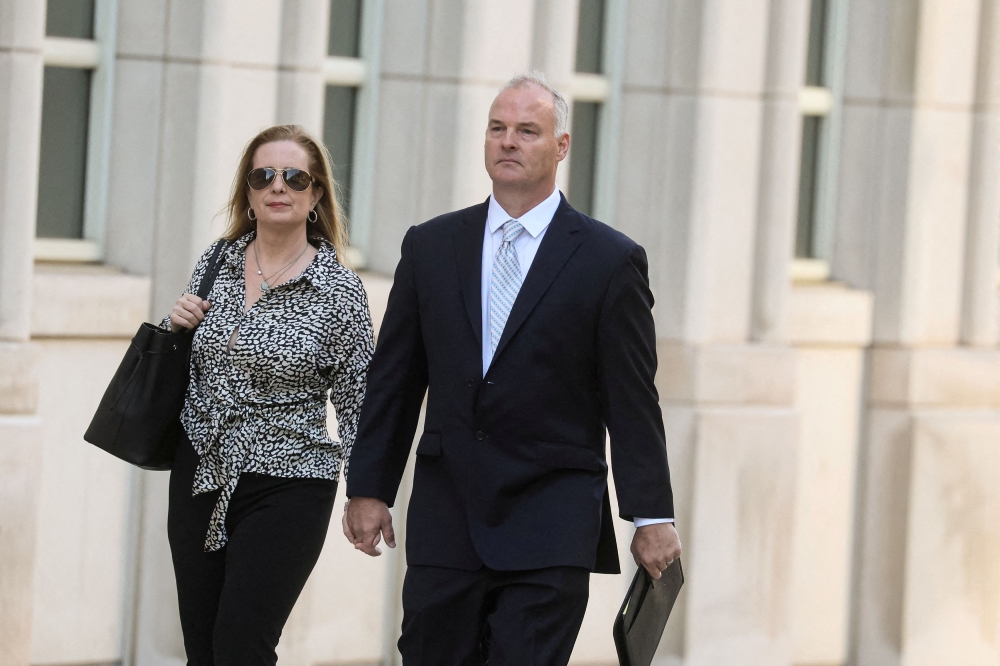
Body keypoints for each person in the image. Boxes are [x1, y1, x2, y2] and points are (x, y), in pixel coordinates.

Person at [343, 71, 682, 665]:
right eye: (497, 128)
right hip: (448, 515)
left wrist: (650, 515)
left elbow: (632, 398)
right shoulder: (431, 246)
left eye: (527, 130)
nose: (508, 141)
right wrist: (370, 487)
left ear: (561, 145)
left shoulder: (608, 260)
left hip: (551, 517)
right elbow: (395, 379)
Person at [164, 125, 374, 665]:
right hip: (201, 470)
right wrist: (176, 324)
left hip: (290, 480)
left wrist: (365, 493)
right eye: (264, 176)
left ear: (316, 194)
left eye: (295, 177)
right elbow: (191, 367)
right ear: (249, 194)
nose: (278, 186)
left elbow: (357, 402)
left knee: (242, 643)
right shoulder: (217, 262)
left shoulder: (340, 290)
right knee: (201, 646)